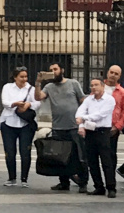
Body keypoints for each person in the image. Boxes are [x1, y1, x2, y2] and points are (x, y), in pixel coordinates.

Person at [37, 63, 87, 192]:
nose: (53, 72)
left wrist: (83, 121)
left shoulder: (73, 83)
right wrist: (38, 82)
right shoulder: (49, 87)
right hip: (58, 127)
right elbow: (38, 97)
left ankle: (83, 182)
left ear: (62, 70)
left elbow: (83, 101)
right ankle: (64, 183)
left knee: (79, 155)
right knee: (60, 157)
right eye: (51, 70)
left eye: (55, 69)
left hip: (74, 127)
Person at [75, 78, 118, 198]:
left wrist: (83, 118)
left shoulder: (109, 100)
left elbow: (100, 115)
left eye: (96, 85)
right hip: (90, 132)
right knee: (92, 161)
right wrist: (82, 124)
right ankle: (98, 186)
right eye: (92, 85)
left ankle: (111, 187)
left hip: (103, 132)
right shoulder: (89, 99)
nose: (94, 87)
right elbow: (79, 112)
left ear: (103, 86)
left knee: (106, 161)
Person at [0, 68, 39, 187]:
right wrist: (15, 103)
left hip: (25, 123)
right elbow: (4, 102)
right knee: (9, 151)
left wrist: (29, 104)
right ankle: (11, 177)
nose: (24, 79)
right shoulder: (8, 87)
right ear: (15, 77)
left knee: (25, 151)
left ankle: (24, 179)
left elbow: (38, 102)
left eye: (26, 77)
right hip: (9, 121)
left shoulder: (31, 89)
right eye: (21, 77)